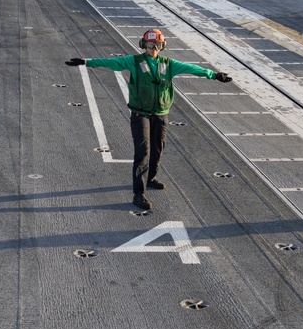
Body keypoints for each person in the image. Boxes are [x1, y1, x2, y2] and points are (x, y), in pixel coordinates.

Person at [65, 29, 232, 210]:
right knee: (143, 152)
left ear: (162, 46)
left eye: (158, 45)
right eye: (150, 45)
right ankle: (138, 194)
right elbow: (111, 62)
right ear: (143, 45)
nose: (154, 48)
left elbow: (192, 69)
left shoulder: (169, 64)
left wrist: (214, 75)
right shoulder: (134, 61)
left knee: (158, 149)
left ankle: (150, 178)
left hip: (161, 114)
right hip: (140, 114)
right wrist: (86, 62)